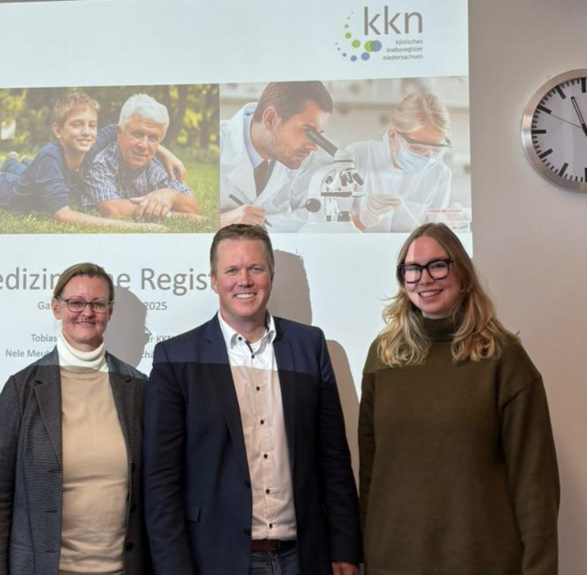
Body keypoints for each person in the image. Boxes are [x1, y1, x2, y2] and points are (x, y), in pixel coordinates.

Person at [144, 224, 363, 575]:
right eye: (231, 270)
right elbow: (161, 480)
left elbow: (333, 458)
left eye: (255, 268)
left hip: (304, 557)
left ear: (271, 276)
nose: (244, 280)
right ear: (214, 280)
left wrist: (346, 549)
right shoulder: (176, 358)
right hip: (214, 560)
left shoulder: (310, 346)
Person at [359, 223, 560, 575]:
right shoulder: (384, 355)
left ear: (462, 273)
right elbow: (371, 474)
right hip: (393, 561)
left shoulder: (503, 358)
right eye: (412, 269)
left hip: (482, 561)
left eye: (438, 265)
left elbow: (535, 484)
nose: (424, 278)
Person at [0, 263, 150, 575]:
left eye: (98, 304)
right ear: (56, 308)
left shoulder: (139, 388)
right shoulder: (22, 388)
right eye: (76, 303)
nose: (87, 312)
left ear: (110, 312)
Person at [0, 91, 183, 232]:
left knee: (29, 171)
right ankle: (11, 163)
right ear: (58, 130)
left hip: (35, 176)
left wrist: (163, 151)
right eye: (76, 125)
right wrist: (136, 227)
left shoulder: (91, 144)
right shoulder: (49, 157)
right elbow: (62, 215)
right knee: (28, 173)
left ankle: (14, 161)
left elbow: (127, 129)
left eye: (92, 125)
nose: (86, 132)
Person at [219, 82, 333, 232]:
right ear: (271, 118)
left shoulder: (303, 156)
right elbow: (180, 213)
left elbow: (315, 214)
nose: (314, 146)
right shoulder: (216, 143)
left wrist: (261, 226)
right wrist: (220, 221)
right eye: (308, 131)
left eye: (318, 135)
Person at [346, 92, 454, 232]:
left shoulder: (440, 174)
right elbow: (331, 230)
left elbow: (434, 236)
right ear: (393, 136)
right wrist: (364, 219)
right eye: (417, 148)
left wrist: (453, 225)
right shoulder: (358, 156)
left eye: (436, 149)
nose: (427, 158)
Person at [83, 94, 201, 222]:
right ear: (119, 133)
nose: (144, 145)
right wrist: (176, 215)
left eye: (152, 138)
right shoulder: (101, 162)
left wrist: (172, 196)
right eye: (137, 134)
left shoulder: (162, 164)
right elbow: (113, 210)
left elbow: (193, 206)